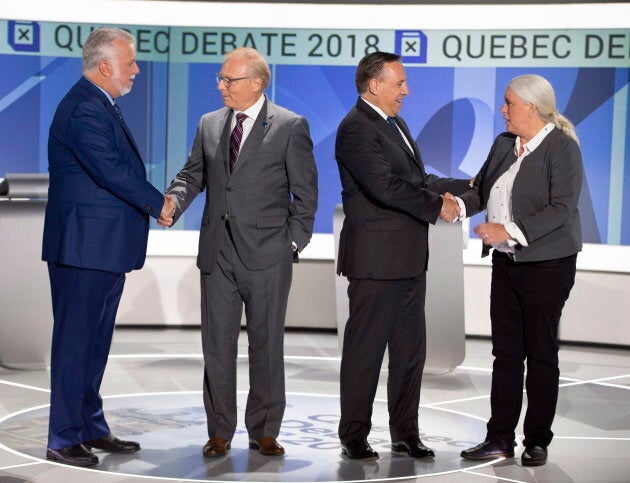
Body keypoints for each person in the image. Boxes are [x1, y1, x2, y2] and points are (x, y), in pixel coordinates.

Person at [160, 47, 318, 458]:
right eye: (221, 78)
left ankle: (264, 430)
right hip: (217, 253)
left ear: (257, 83)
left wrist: (293, 242)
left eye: (229, 80)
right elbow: (191, 175)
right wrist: (174, 203)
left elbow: (306, 193)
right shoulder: (209, 123)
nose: (221, 86)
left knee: (266, 344)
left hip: (269, 254)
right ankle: (219, 431)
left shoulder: (289, 125)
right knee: (216, 345)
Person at [42, 27, 174, 467]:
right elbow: (112, 171)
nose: (136, 69)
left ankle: (90, 426)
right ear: (105, 67)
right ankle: (62, 437)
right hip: (83, 249)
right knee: (75, 344)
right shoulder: (85, 109)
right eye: (130, 62)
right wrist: (160, 204)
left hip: (101, 250)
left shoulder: (100, 104)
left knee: (94, 345)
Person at [334, 51, 469, 460]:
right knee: (366, 352)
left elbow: (417, 179)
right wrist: (438, 206)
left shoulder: (396, 125)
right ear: (375, 85)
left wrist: (467, 186)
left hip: (410, 260)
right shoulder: (356, 128)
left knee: (410, 353)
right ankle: (354, 434)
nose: (406, 91)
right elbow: (385, 187)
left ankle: (405, 433)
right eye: (400, 83)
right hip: (376, 263)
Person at [454, 74, 583, 467]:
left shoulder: (562, 148)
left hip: (548, 265)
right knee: (505, 354)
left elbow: (561, 209)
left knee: (540, 352)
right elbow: (482, 190)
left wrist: (507, 230)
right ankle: (499, 439)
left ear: (530, 106)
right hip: (506, 263)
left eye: (509, 103)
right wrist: (455, 207)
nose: (502, 110)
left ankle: (537, 440)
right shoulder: (503, 144)